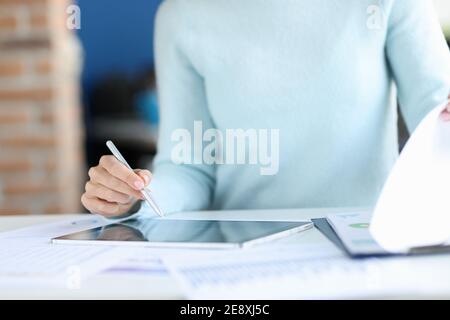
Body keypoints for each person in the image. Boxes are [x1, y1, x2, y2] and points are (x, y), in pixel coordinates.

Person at [81, 0, 450, 219]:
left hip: (362, 241)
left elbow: (437, 113)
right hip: (239, 253)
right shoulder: (182, 15)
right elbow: (190, 168)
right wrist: (137, 195)